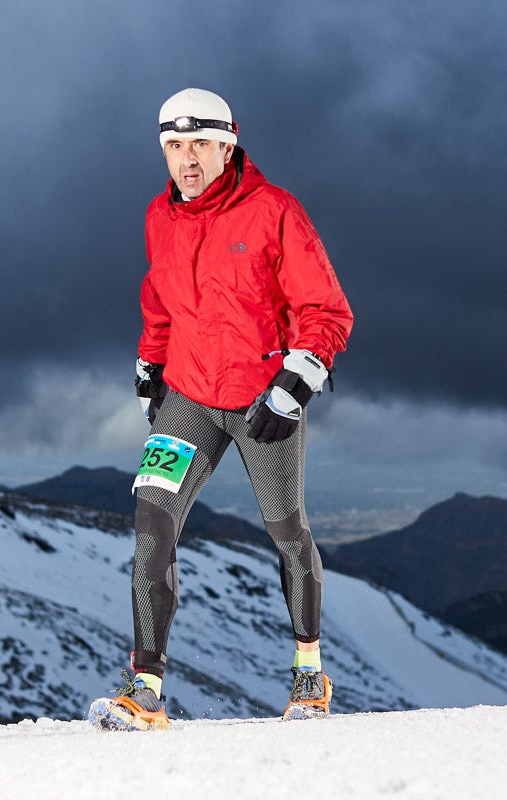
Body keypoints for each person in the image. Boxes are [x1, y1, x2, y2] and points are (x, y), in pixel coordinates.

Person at [87, 88, 354, 730]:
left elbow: (327, 308)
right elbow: (160, 299)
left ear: (228, 143)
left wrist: (296, 384)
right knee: (152, 520)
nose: (188, 160)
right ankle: (145, 690)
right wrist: (151, 364)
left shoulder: (274, 210)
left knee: (287, 530)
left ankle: (310, 677)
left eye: (200, 145)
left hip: (264, 398)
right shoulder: (159, 216)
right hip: (188, 398)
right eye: (175, 147)